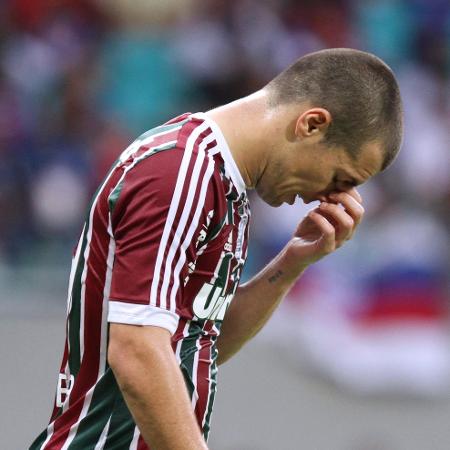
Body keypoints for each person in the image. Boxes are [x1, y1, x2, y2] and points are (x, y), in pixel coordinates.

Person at [30, 48, 403, 450]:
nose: (327, 197)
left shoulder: (227, 188)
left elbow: (194, 350)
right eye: (338, 177)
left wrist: (292, 261)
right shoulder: (180, 171)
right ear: (312, 124)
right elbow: (137, 351)